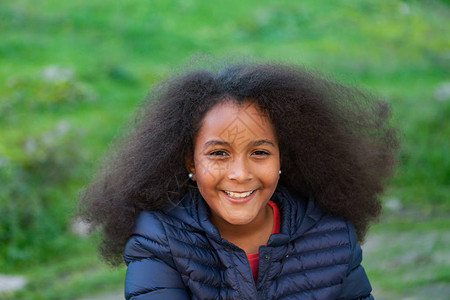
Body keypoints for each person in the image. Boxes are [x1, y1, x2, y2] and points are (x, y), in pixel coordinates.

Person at [79, 61, 399, 299]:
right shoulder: (159, 237)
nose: (240, 174)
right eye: (219, 154)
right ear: (190, 160)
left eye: (259, 153)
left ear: (282, 158)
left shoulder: (331, 234)